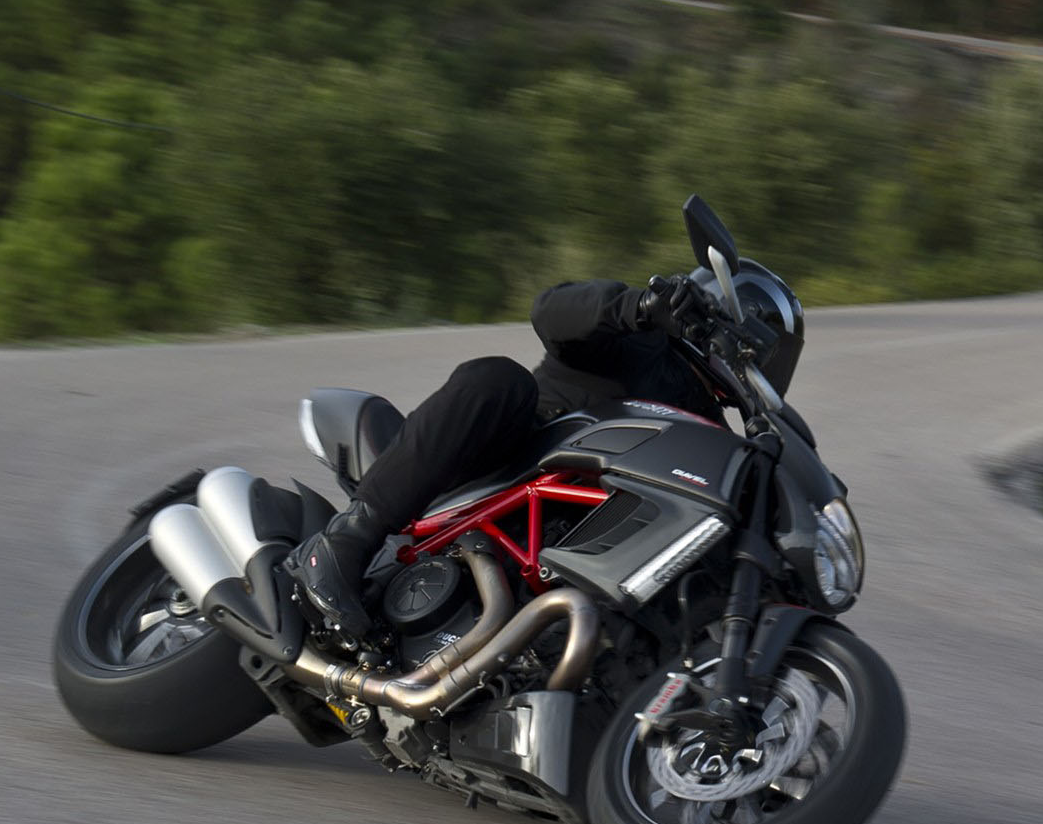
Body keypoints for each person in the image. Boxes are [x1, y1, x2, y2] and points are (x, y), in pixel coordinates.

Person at [287, 274, 730, 643]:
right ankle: (343, 542)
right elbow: (551, 311)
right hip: (499, 463)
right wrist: (639, 305)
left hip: (570, 541)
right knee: (499, 379)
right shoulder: (639, 340)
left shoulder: (713, 434)